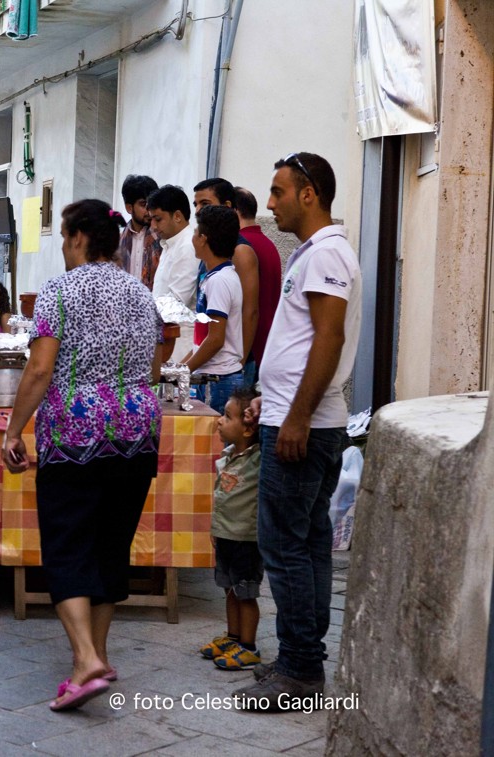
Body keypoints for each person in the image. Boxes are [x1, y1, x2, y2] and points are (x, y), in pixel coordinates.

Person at [3, 199, 169, 712]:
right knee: (111, 543)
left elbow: (39, 369)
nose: (62, 246)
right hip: (138, 428)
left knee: (68, 542)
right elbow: (156, 367)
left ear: (78, 237)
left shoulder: (58, 291)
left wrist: (13, 430)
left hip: (76, 431)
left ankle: (84, 661)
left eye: (63, 236)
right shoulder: (141, 292)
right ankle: (99, 654)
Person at [233, 152, 362, 710]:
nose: (270, 203)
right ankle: (301, 659)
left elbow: (329, 339)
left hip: (305, 425)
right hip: (297, 416)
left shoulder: (327, 253)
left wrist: (298, 416)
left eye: (279, 191)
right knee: (304, 543)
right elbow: (304, 341)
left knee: (283, 544)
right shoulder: (314, 252)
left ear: (309, 194)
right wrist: (276, 400)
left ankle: (300, 671)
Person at [200, 385, 264, 671]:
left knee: (245, 592)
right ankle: (234, 637)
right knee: (229, 589)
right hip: (226, 535)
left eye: (227, 416)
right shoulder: (228, 455)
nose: (219, 421)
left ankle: (248, 648)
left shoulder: (258, 460)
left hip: (246, 540)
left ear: (248, 428)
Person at [192, 178, 259, 381]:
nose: (198, 210)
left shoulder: (239, 252)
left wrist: (239, 363)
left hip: (225, 370)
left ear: (227, 206)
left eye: (205, 204)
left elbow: (249, 311)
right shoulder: (211, 258)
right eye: (196, 204)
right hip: (209, 365)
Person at [183, 205, 245, 414]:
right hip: (211, 376)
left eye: (195, 232)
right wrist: (179, 367)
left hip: (220, 380)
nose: (192, 238)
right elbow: (203, 338)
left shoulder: (219, 281)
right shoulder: (213, 277)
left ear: (203, 239)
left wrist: (185, 370)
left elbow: (216, 339)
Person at [234, 186, 283, 380]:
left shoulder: (242, 247)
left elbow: (248, 307)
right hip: (267, 342)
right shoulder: (269, 244)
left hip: (248, 349)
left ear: (235, 211)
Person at [146, 185, 199, 361]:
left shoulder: (188, 246)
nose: (153, 226)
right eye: (151, 220)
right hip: (166, 338)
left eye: (158, 219)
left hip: (180, 344)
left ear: (177, 216)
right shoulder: (170, 244)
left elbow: (176, 302)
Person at [118, 174, 163, 288]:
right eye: (143, 205)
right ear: (129, 208)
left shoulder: (163, 238)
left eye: (151, 204)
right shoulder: (117, 241)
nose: (149, 211)